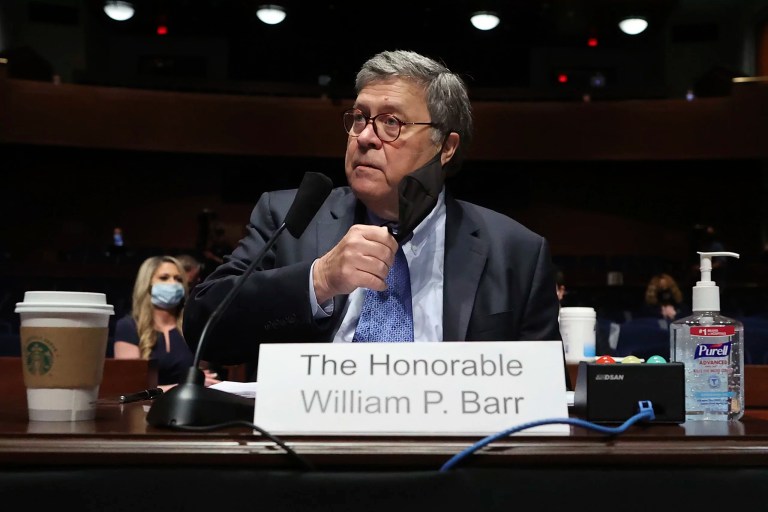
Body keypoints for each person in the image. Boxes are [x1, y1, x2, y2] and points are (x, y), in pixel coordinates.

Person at [183, 50, 563, 382]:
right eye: (360, 118)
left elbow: (542, 395)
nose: (365, 137)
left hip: (454, 454)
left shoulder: (516, 251)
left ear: (445, 147)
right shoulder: (290, 217)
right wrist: (318, 280)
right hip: (310, 449)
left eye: (391, 123)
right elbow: (204, 327)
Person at [114, 255, 220, 391]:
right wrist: (181, 387)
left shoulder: (192, 326)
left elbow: (203, 377)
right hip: (145, 408)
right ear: (148, 284)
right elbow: (131, 387)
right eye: (164, 278)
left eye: (178, 279)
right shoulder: (128, 327)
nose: (173, 283)